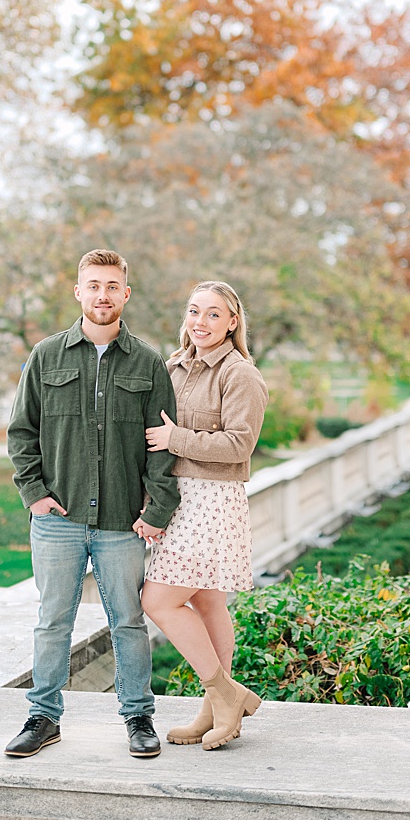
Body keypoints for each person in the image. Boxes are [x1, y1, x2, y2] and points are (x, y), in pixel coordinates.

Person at [4, 249, 179, 760]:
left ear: (126, 293)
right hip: (59, 520)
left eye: (112, 286)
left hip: (122, 521)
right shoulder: (46, 356)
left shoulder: (147, 362)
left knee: (127, 619)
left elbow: (162, 445)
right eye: (93, 285)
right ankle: (42, 717)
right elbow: (21, 433)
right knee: (53, 620)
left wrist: (156, 511)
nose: (102, 294)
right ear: (78, 291)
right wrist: (33, 493)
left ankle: (138, 716)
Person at [140, 280, 269, 750]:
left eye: (214, 314)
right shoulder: (173, 367)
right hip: (179, 499)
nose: (201, 322)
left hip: (213, 500)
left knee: (159, 601)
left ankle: (224, 696)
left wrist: (177, 440)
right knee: (208, 602)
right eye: (194, 311)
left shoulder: (241, 375)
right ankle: (216, 708)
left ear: (233, 322)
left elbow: (240, 444)